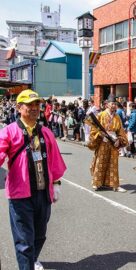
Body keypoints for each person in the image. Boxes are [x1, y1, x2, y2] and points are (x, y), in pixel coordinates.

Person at [0, 89, 66, 270]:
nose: (35, 108)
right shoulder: (9, 131)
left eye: (37, 104)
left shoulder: (46, 132)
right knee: (24, 241)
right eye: (30, 104)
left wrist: (56, 183)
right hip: (20, 195)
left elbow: (54, 161)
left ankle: (32, 259)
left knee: (40, 235)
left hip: (43, 194)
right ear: (19, 107)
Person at [87, 96, 128, 192]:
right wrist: (100, 135)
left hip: (113, 142)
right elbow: (94, 129)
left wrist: (119, 139)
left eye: (115, 104)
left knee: (113, 164)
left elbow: (120, 131)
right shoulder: (101, 115)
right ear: (107, 104)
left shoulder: (117, 117)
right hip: (103, 142)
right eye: (112, 104)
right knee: (100, 162)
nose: (114, 106)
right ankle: (97, 183)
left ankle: (115, 185)